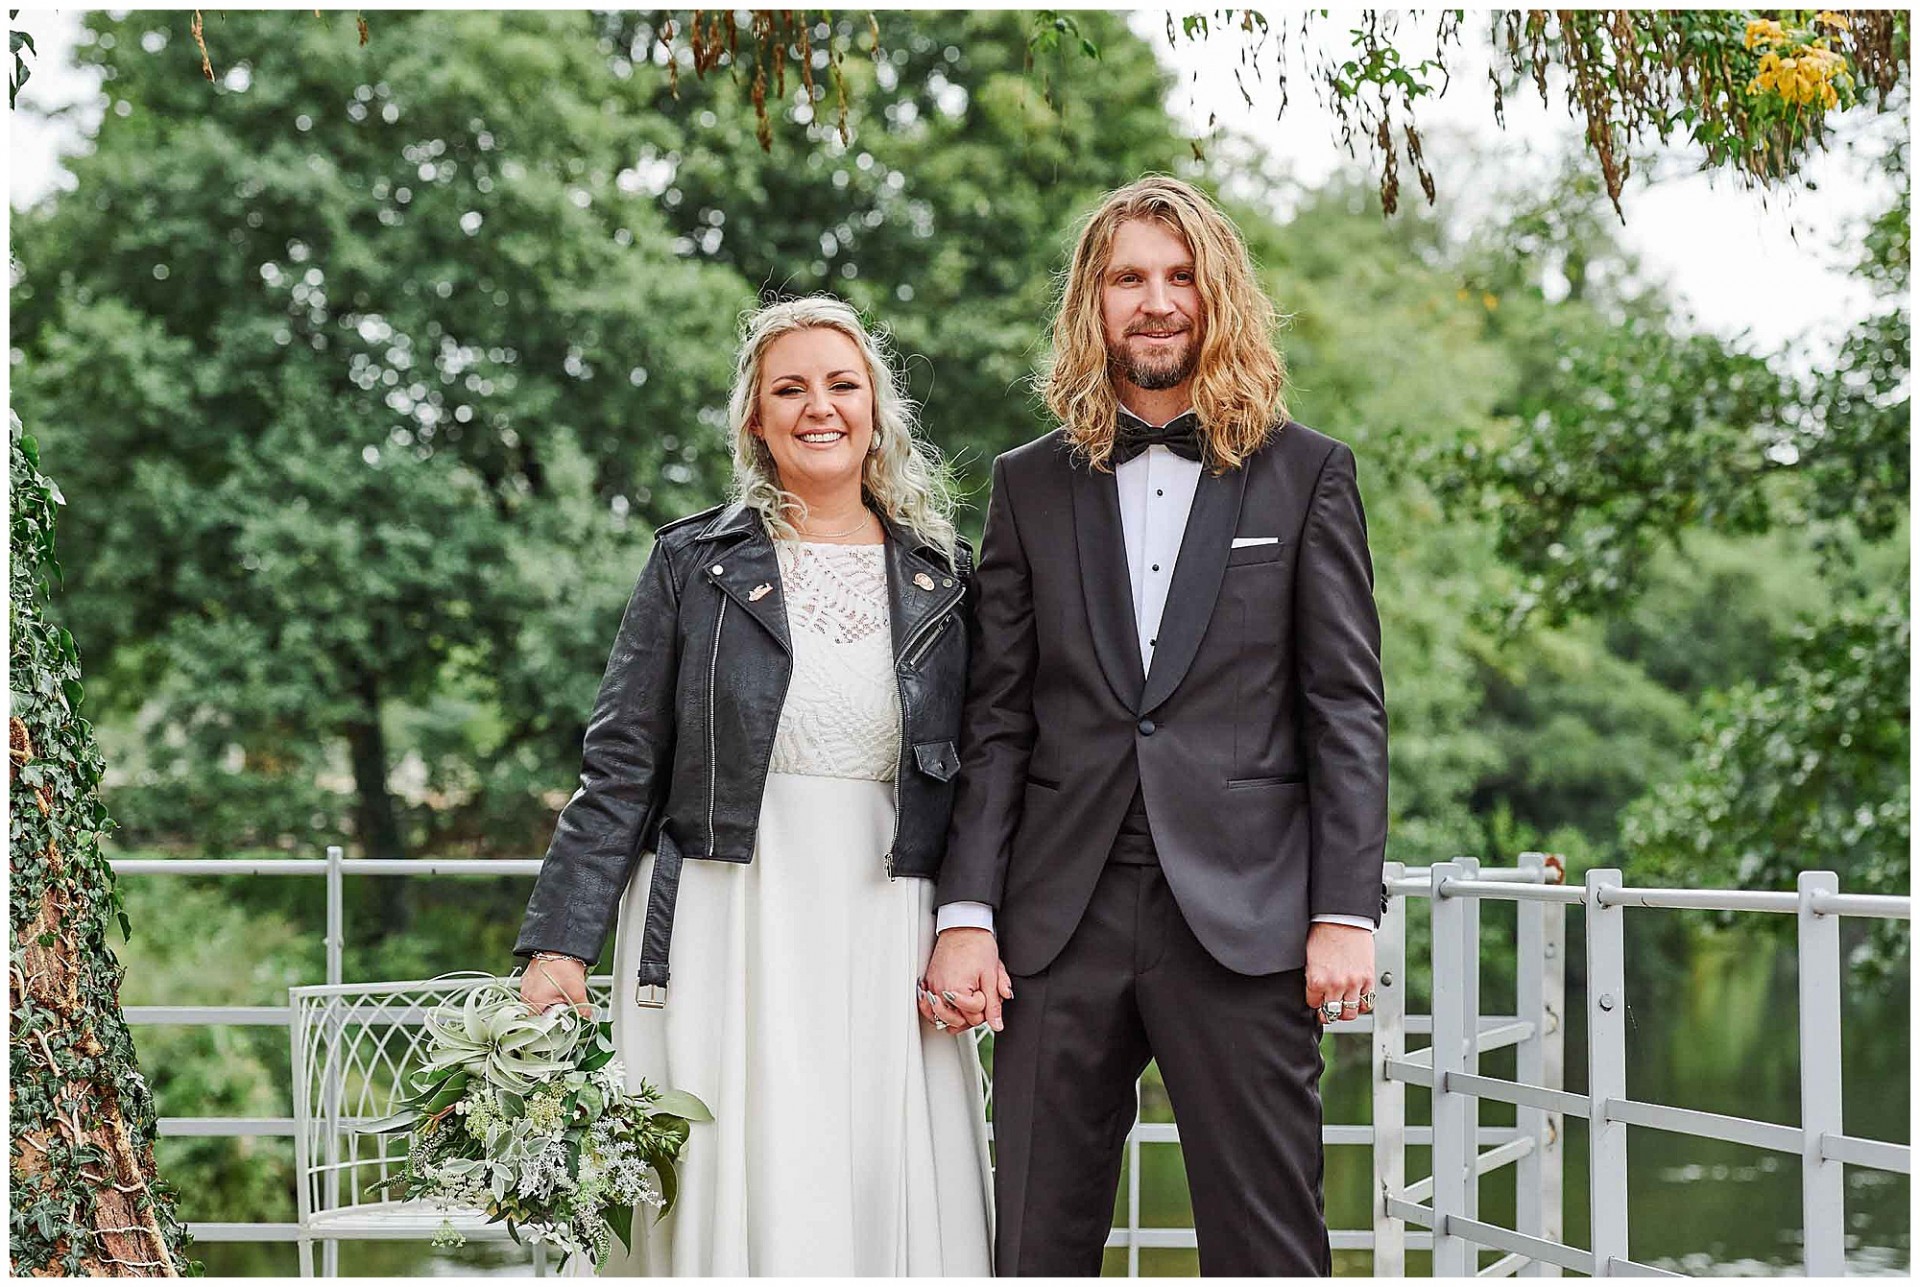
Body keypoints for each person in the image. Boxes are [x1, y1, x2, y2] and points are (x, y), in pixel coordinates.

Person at [924, 175, 1389, 1276]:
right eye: (1129, 278)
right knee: (1036, 1243)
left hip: (1246, 916)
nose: (1157, 300)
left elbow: (1345, 707)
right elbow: (997, 721)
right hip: (1057, 918)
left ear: (1219, 296)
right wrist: (967, 911)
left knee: (1270, 1249)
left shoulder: (1307, 472)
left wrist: (1344, 910)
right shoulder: (1025, 484)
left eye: (1180, 277)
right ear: (1093, 304)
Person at [514, 295, 993, 1275]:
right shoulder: (692, 563)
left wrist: (973, 923)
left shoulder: (949, 576)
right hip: (725, 921)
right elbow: (619, 770)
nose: (820, 407)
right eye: (790, 388)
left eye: (842, 385)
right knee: (733, 1177)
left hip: (887, 920)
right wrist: (560, 943)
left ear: (876, 409)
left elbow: (989, 768)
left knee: (873, 1186)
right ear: (756, 421)